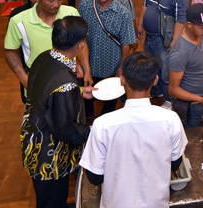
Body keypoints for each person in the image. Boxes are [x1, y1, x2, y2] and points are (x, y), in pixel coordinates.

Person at [80, 51, 188, 208]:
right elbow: (175, 163)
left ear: (122, 79)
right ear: (155, 80)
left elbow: (95, 177)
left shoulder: (102, 124)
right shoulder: (171, 120)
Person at [20, 17, 94, 208]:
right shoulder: (65, 82)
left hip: (32, 136)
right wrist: (92, 131)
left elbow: (46, 92)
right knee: (52, 201)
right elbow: (64, 129)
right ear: (80, 45)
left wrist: (77, 93)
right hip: (47, 155)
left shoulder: (44, 57)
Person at [5, 0, 92, 100]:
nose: (56, 4)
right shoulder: (18, 21)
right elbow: (10, 52)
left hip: (68, 78)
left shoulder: (71, 13)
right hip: (37, 79)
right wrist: (24, 78)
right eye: (51, 0)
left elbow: (81, 44)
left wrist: (87, 70)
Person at [78, 0, 136, 118]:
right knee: (87, 99)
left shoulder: (123, 14)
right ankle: (89, 118)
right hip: (88, 65)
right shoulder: (85, 6)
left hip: (111, 66)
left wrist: (122, 67)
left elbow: (126, 43)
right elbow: (78, 36)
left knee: (110, 101)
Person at [137, 0, 189, 104]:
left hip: (163, 40)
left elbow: (181, 19)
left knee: (166, 73)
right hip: (149, 37)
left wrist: (175, 40)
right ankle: (156, 92)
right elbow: (145, 4)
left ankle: (169, 99)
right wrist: (140, 25)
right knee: (151, 68)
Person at [169, 3, 203, 127]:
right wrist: (200, 99)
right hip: (191, 107)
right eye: (202, 27)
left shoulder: (199, 36)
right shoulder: (180, 52)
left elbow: (196, 70)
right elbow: (173, 90)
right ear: (189, 24)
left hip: (201, 101)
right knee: (192, 140)